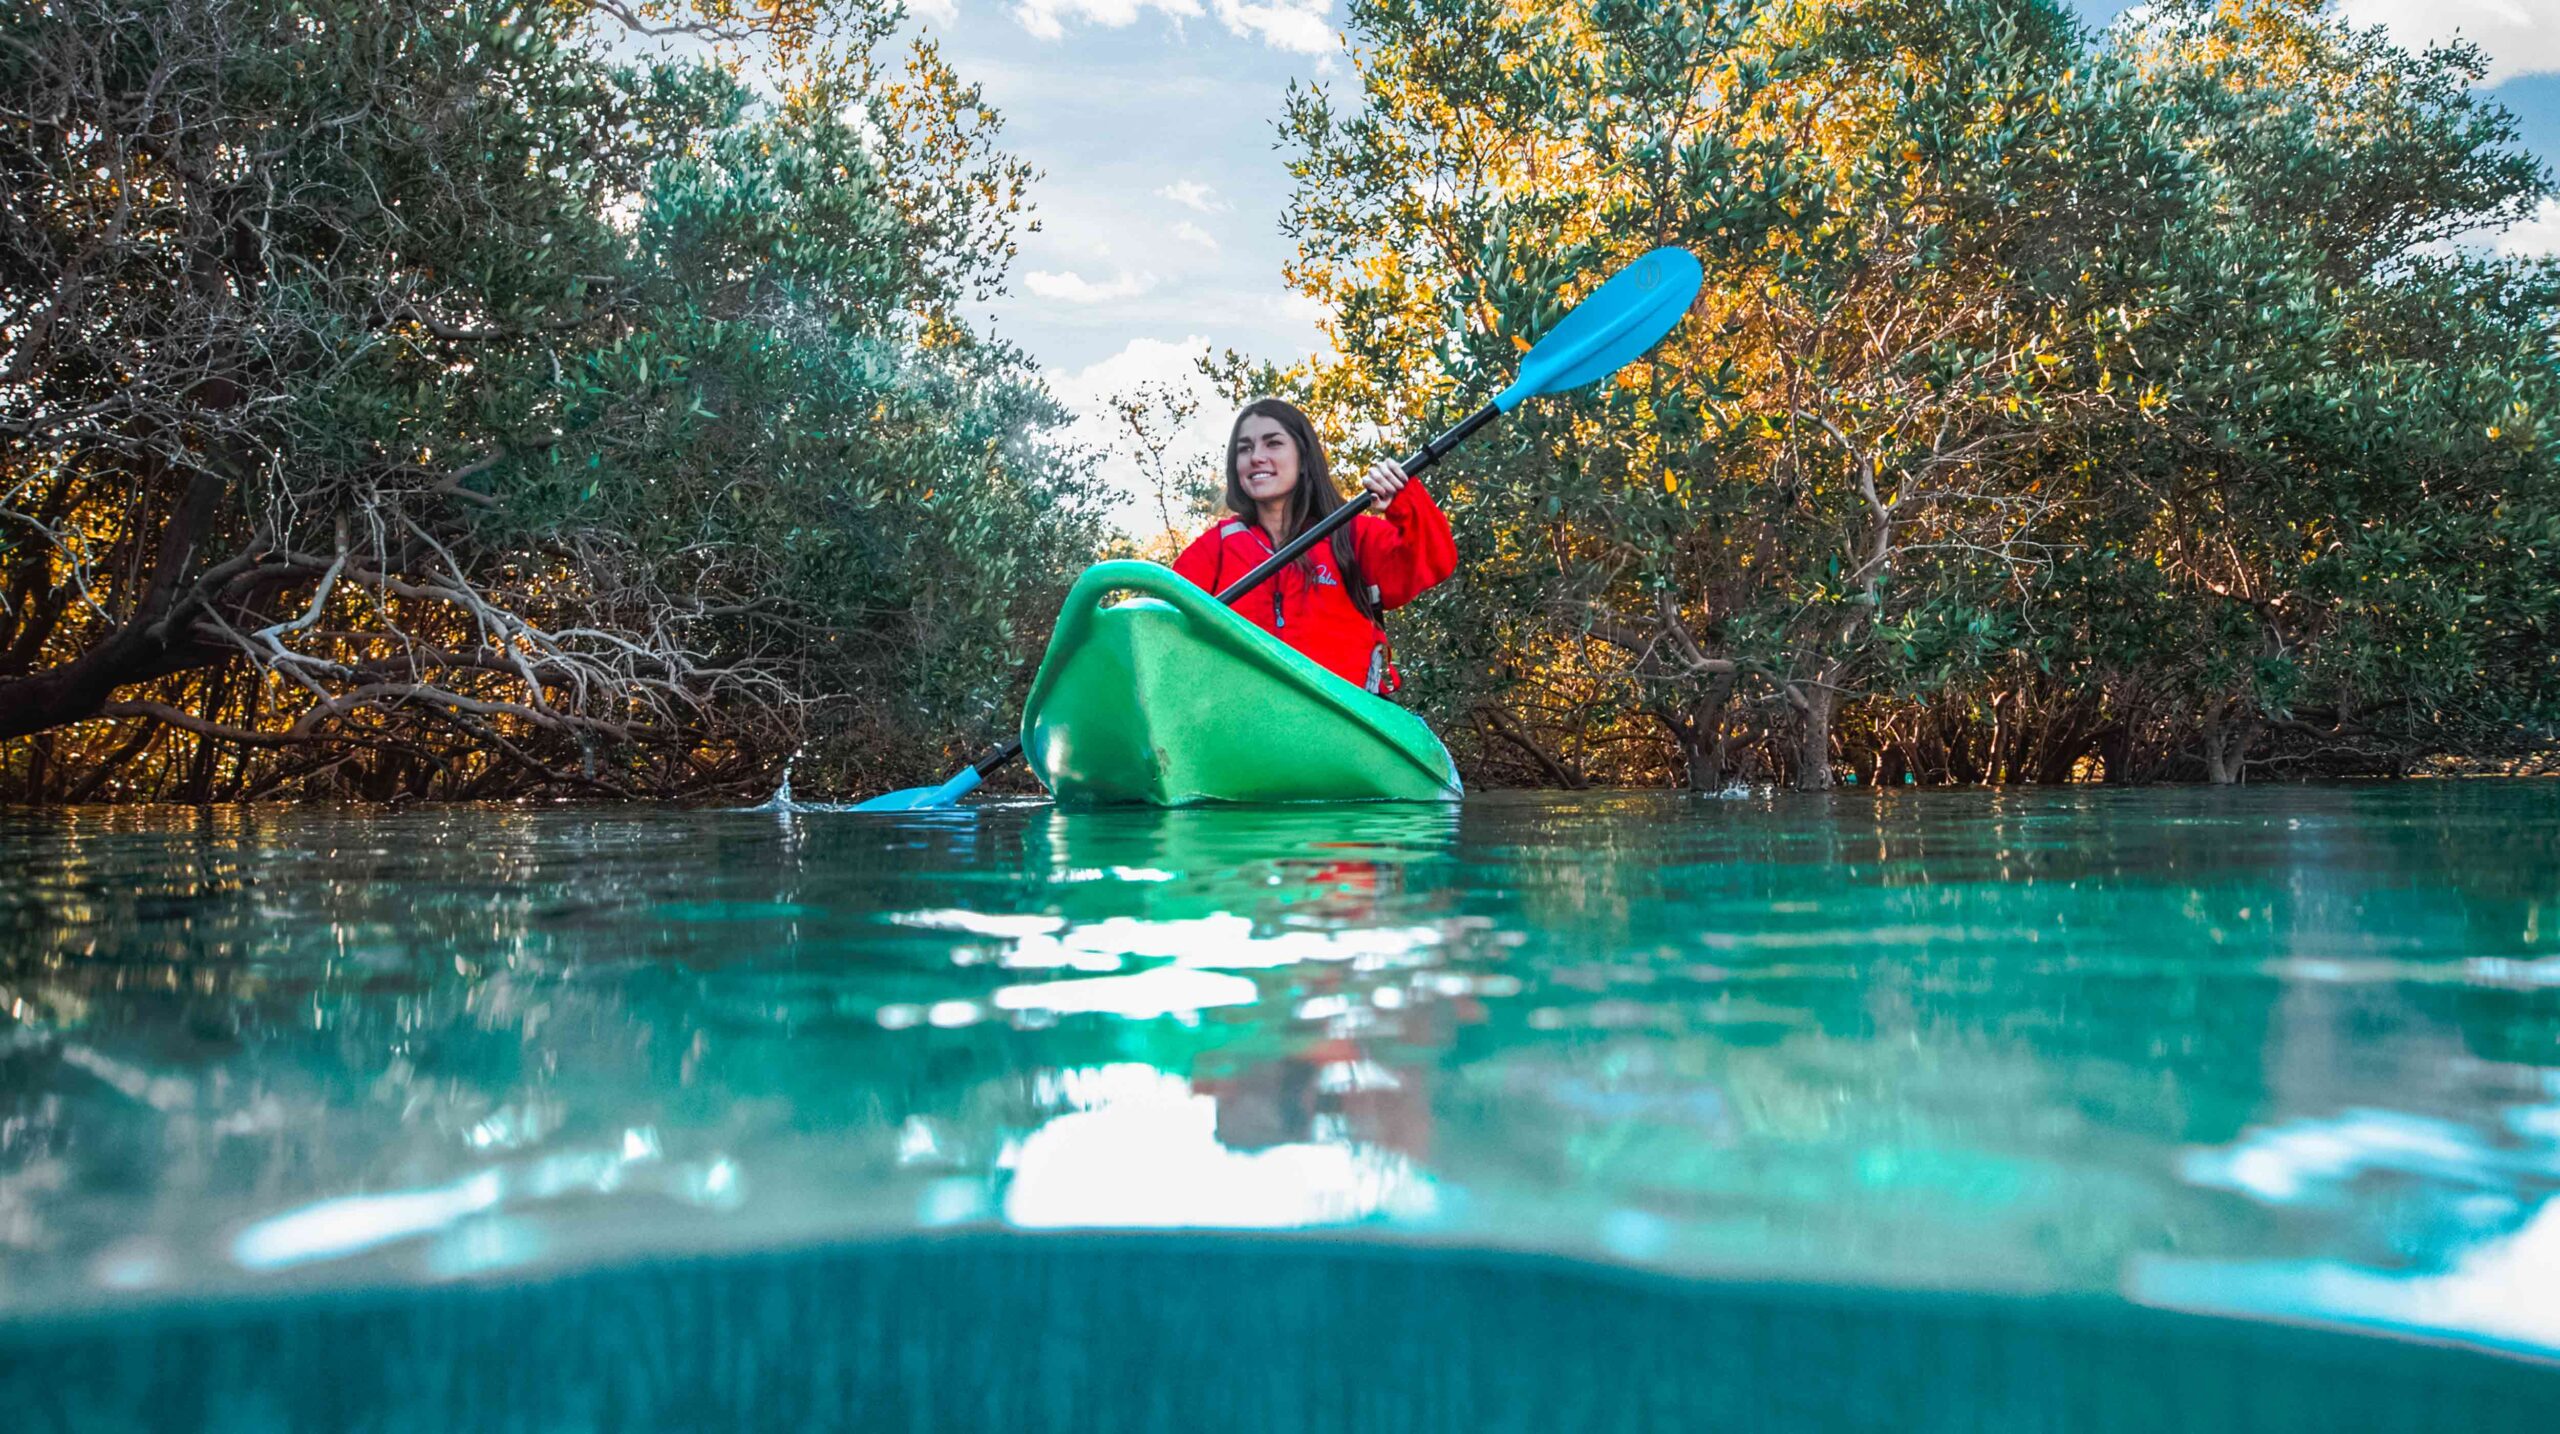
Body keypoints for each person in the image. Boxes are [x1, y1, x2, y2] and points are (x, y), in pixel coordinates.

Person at [1170, 397, 1457, 694]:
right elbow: (1166, 619)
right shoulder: (1216, 547)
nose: (1256, 457)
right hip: (1243, 719)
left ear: (1304, 458)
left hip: (1338, 721)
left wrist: (1404, 498)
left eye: (1273, 443)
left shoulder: (1351, 534)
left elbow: (1434, 560)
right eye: (1245, 448)